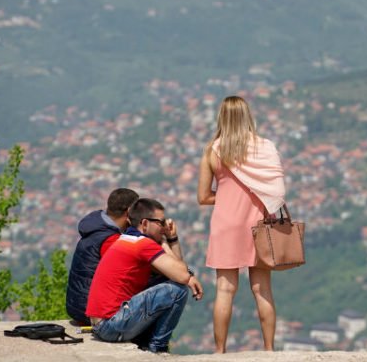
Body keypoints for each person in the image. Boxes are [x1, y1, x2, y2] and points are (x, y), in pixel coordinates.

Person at [197, 95, 285, 353]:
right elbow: (276, 190)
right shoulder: (265, 147)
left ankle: (220, 351)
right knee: (262, 289)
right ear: (248, 116)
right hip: (260, 224)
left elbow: (203, 196)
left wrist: (226, 197)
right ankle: (269, 349)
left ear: (222, 117)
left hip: (226, 225)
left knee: (225, 290)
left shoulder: (213, 150)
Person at [86, 197, 203, 353]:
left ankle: (153, 345)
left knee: (171, 283)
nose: (164, 226)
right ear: (145, 224)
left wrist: (171, 239)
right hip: (110, 325)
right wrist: (164, 241)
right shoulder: (142, 244)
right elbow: (181, 275)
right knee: (177, 291)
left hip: (102, 323)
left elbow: (175, 269)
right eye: (160, 223)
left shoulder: (127, 240)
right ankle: (158, 349)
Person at [66, 187, 139, 325]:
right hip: (90, 311)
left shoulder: (97, 229)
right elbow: (130, 272)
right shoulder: (109, 240)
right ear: (129, 212)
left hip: (76, 305)